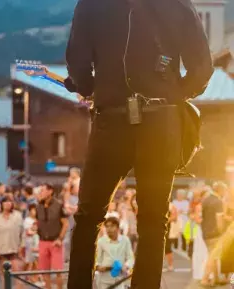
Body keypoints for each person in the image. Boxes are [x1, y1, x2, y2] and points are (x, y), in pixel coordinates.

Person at [64, 0, 213, 287]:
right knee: (153, 221)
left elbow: (78, 63)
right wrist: (170, 95)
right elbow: (202, 69)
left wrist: (91, 87)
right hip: (161, 123)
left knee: (88, 218)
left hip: (112, 119)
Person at [36, 183, 68, 289]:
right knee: (45, 272)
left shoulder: (59, 205)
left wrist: (60, 239)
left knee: (58, 271)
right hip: (42, 241)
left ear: (50, 191)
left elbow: (65, 224)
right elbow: (38, 222)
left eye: (43, 190)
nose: (41, 193)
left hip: (55, 242)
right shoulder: (38, 206)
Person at [95, 217, 134, 289]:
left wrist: (126, 266)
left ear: (118, 228)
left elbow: (130, 258)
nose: (109, 229)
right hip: (105, 280)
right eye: (107, 226)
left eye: (112, 226)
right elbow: (98, 260)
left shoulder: (125, 240)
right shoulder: (101, 241)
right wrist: (99, 267)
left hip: (120, 279)